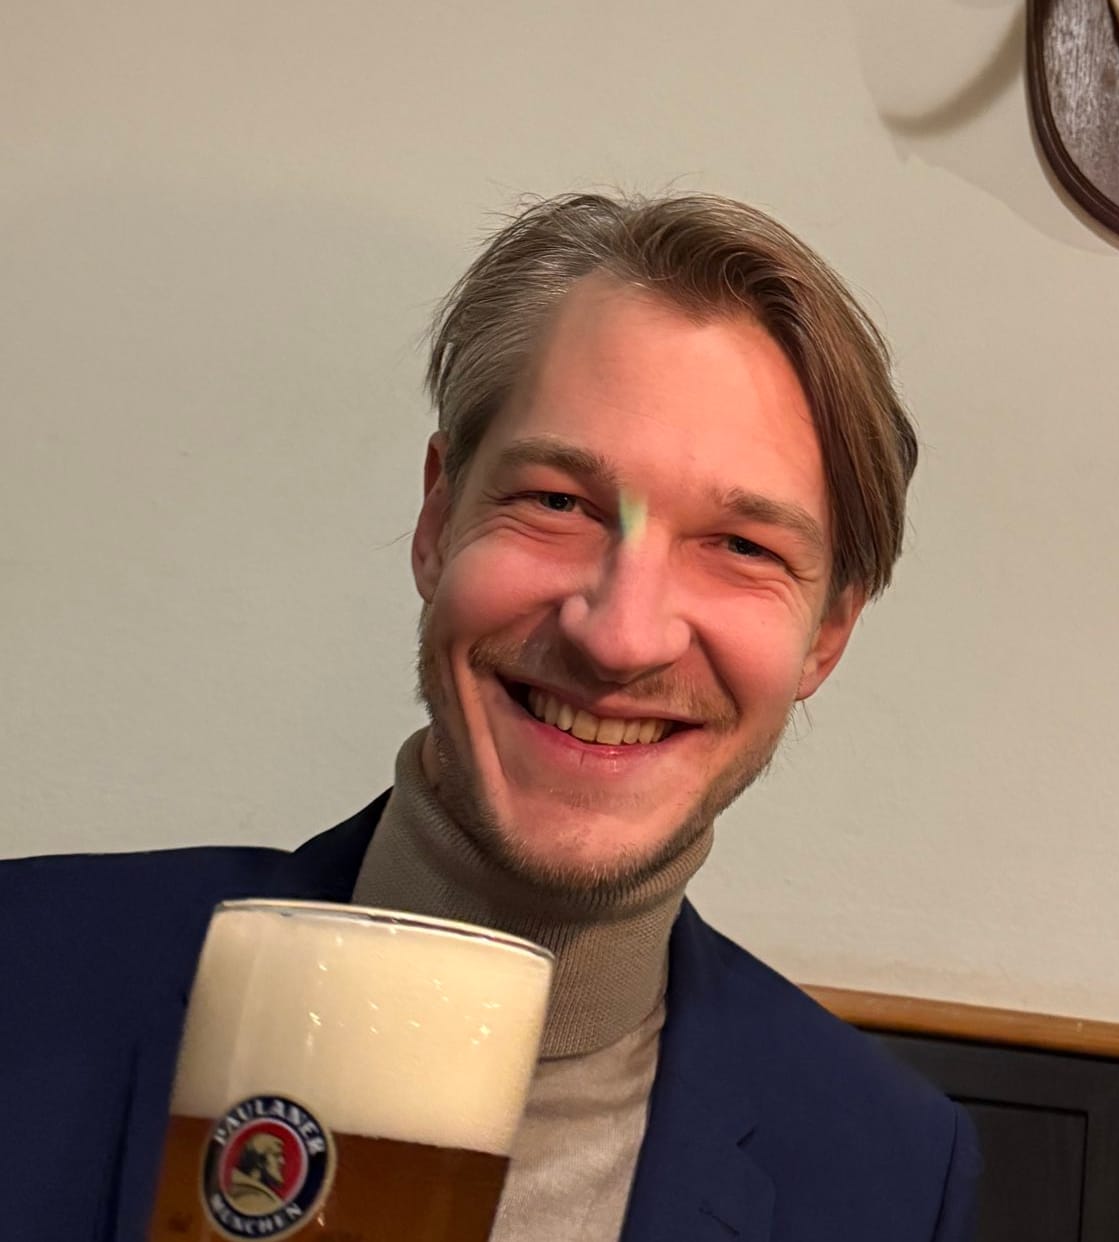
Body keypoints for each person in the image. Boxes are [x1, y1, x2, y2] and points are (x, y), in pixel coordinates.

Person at [0, 192, 980, 1241]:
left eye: (743, 548)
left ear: (825, 638)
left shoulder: (890, 1174)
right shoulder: (26, 971)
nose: (622, 637)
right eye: (558, 502)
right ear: (437, 519)